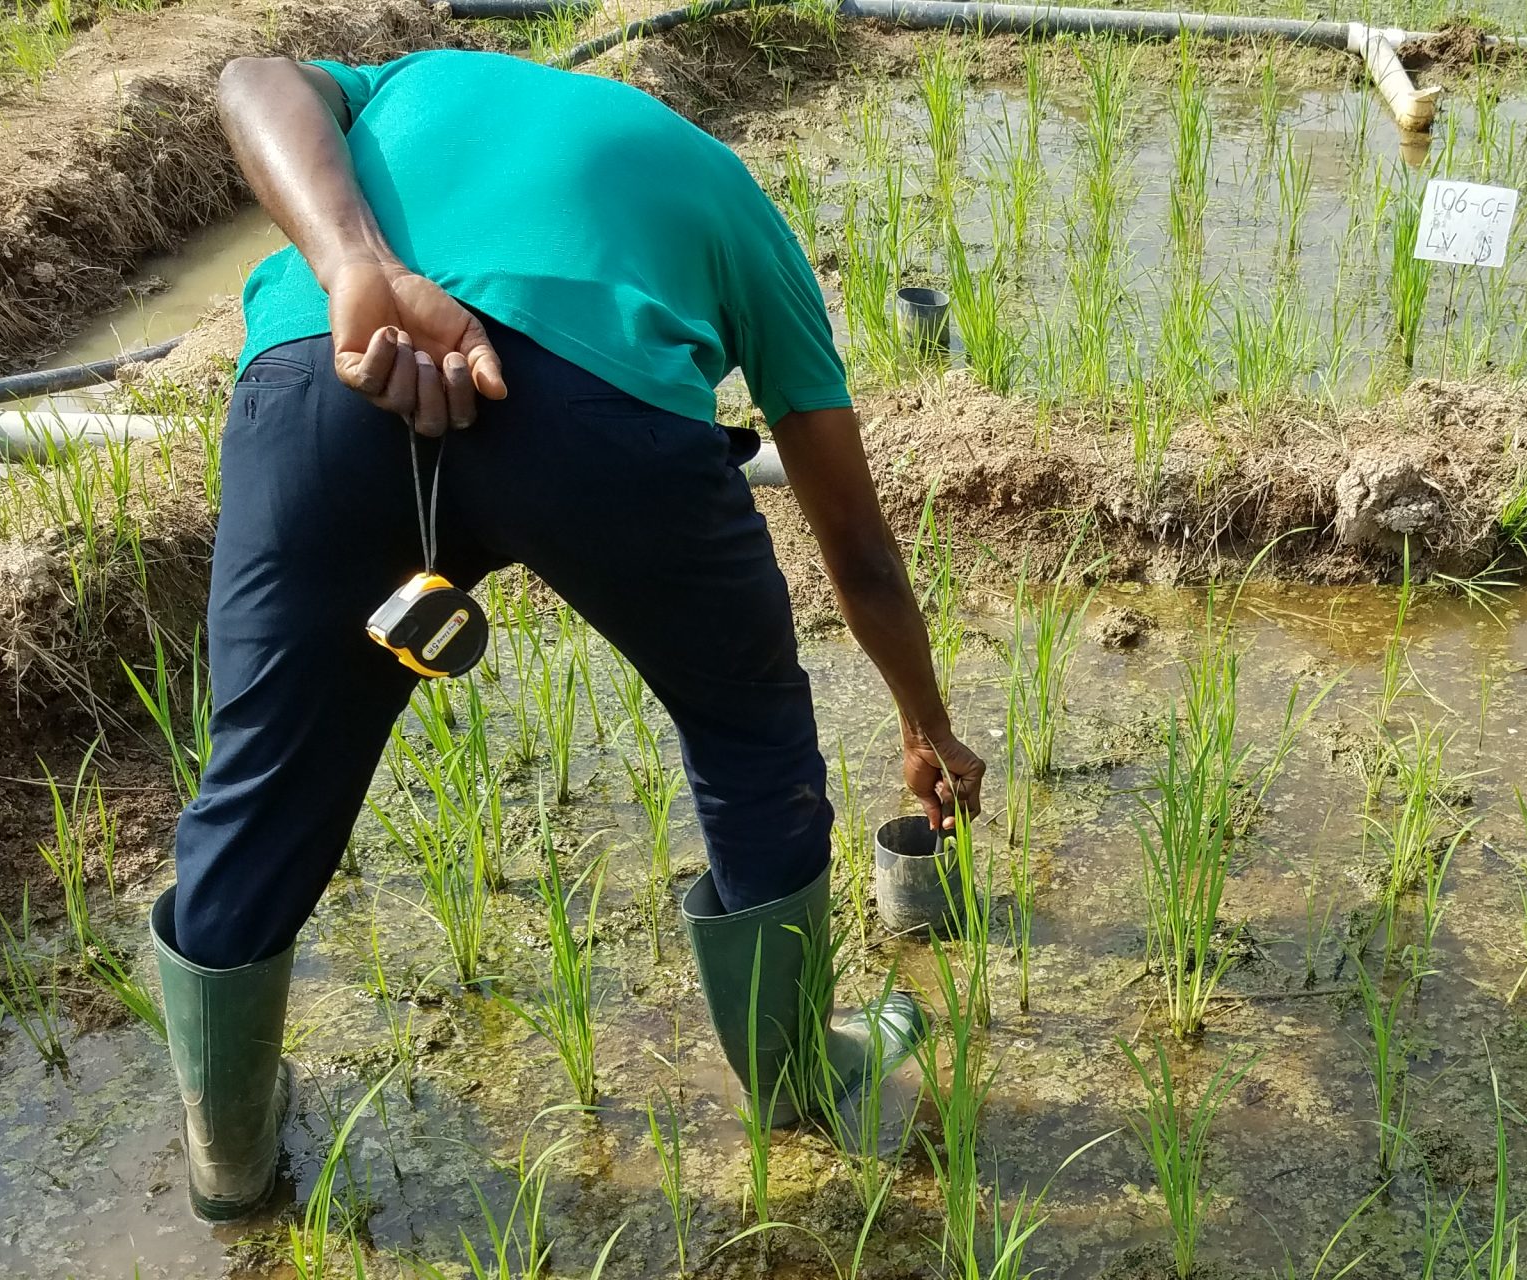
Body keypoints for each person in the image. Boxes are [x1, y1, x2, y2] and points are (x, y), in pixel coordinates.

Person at [153, 48, 985, 1220]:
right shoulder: (728, 194)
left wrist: (355, 262)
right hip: (604, 412)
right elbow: (853, 540)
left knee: (260, 779)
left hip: (323, 374)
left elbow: (247, 77)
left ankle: (228, 1154)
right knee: (747, 732)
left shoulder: (403, 80)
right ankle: (797, 1072)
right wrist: (925, 719)